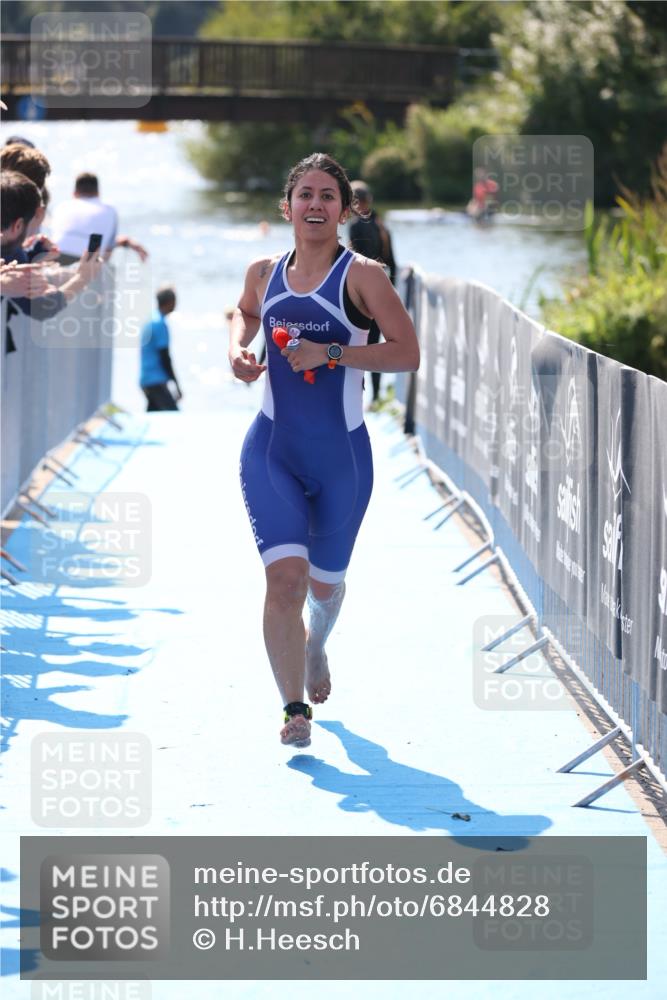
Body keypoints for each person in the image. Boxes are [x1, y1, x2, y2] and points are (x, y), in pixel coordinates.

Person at [229, 152, 419, 748]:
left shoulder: (364, 276)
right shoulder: (263, 270)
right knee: (283, 584)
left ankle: (317, 646)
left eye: (326, 196)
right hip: (272, 451)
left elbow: (406, 352)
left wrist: (332, 354)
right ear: (286, 208)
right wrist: (239, 350)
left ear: (343, 210)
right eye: (304, 195)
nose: (315, 205)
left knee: (322, 587)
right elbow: (246, 314)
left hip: (343, 461)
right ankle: (293, 711)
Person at [1, 170, 100, 324]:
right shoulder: (11, 253)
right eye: (36, 217)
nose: (39, 224)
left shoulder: (10, 250)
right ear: (18, 225)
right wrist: (82, 278)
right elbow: (41, 308)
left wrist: (34, 252)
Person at [348, 179, 397, 406]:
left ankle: (354, 395)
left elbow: (354, 262)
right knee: (377, 347)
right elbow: (392, 264)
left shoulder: (357, 225)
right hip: (381, 293)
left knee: (355, 348)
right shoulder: (383, 227)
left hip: (359, 296)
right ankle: (376, 397)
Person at [50, 172, 148, 264]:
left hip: (55, 257)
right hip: (87, 260)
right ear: (98, 193)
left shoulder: (62, 207)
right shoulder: (109, 210)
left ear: (74, 192)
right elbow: (107, 249)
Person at [139, 286, 182, 411]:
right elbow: (165, 357)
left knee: (153, 416)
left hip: (146, 378)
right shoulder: (160, 324)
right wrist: (176, 384)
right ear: (170, 302)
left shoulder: (151, 319)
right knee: (173, 416)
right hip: (155, 380)